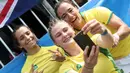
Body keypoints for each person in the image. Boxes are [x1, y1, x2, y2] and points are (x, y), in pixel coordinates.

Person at [54, 0, 130, 72]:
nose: (70, 16)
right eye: (64, 16)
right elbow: (70, 54)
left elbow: (125, 28)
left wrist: (116, 36)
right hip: (116, 62)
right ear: (62, 21)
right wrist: (62, 58)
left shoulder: (97, 12)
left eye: (70, 10)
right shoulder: (71, 35)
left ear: (76, 8)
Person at [48, 19, 122, 73]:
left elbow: (109, 43)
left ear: (72, 29)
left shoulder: (93, 41)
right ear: (55, 43)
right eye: (58, 35)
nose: (64, 35)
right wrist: (88, 67)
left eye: (65, 30)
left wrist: (103, 31)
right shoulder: (65, 67)